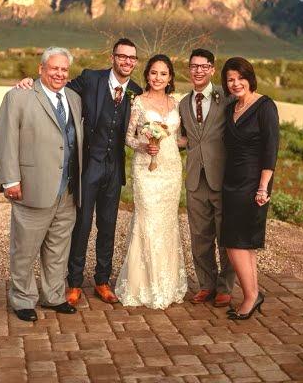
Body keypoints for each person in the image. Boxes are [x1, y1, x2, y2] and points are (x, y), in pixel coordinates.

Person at [16, 38, 142, 304]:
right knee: (81, 226)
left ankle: (102, 281)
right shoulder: (90, 79)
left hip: (114, 168)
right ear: (113, 58)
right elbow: (53, 88)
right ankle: (73, 283)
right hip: (88, 166)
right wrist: (29, 82)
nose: (127, 61)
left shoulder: (137, 92)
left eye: (132, 58)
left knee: (107, 226)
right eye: (122, 56)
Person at [0, 47, 83, 322]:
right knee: (24, 249)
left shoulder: (74, 98)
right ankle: (22, 300)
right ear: (41, 69)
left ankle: (53, 296)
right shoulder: (18, 96)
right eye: (54, 68)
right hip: (32, 187)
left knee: (58, 249)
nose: (59, 73)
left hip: (67, 189)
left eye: (64, 70)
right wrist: (10, 180)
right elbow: (5, 139)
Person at [115, 54, 187, 309]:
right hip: (146, 170)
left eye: (163, 74)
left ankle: (166, 283)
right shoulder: (139, 102)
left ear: (170, 78)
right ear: (147, 75)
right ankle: (143, 284)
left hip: (171, 170)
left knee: (167, 223)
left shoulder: (176, 104)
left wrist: (181, 143)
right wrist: (145, 146)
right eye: (154, 73)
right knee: (147, 221)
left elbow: (180, 139)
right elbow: (128, 137)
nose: (158, 78)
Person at [220, 57, 279, 320]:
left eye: (240, 78)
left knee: (234, 243)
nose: (235, 83)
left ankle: (250, 297)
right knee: (244, 243)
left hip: (253, 183)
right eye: (230, 79)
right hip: (231, 180)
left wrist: (263, 187)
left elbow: (271, 149)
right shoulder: (231, 107)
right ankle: (253, 293)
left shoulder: (265, 106)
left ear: (249, 77)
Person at [179, 48, 235, 307]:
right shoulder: (182, 103)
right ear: (189, 69)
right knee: (199, 236)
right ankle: (206, 285)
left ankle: (225, 287)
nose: (198, 70)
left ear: (212, 69)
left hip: (222, 178)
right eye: (194, 66)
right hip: (194, 179)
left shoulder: (227, 98)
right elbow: (183, 138)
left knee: (225, 235)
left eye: (203, 66)